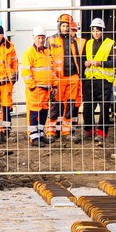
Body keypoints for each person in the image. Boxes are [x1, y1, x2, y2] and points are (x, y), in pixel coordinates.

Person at [20, 27, 58, 147]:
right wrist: (32, 87)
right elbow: (26, 72)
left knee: (43, 112)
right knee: (33, 113)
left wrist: (55, 85)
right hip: (35, 89)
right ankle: (33, 137)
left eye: (42, 38)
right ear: (34, 38)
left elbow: (53, 71)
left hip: (46, 89)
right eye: (38, 38)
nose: (41, 40)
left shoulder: (48, 52)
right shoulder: (29, 53)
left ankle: (41, 134)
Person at [49, 13, 84, 141]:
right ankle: (51, 131)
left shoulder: (75, 41)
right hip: (58, 78)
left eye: (67, 26)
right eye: (63, 26)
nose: (65, 28)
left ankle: (66, 131)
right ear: (59, 26)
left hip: (73, 77)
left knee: (70, 105)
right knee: (55, 105)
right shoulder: (50, 40)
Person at [82, 17, 116, 140]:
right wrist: (85, 63)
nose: (96, 33)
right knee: (88, 106)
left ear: (103, 30)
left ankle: (102, 133)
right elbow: (82, 59)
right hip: (90, 80)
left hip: (104, 82)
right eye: (94, 30)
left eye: (98, 30)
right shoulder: (88, 43)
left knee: (104, 108)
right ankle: (89, 130)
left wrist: (101, 63)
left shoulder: (110, 43)